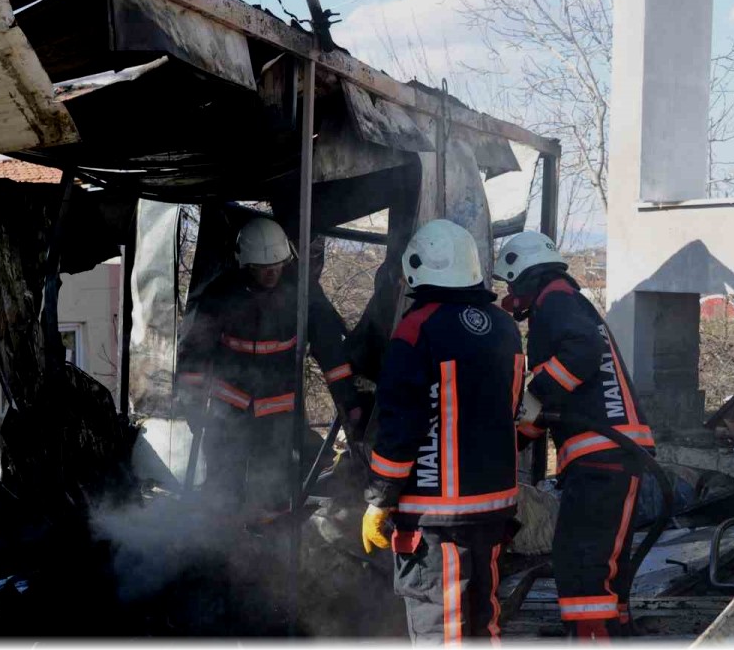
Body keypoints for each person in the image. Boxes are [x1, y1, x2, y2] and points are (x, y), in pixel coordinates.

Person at [361, 219, 524, 643]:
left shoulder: (418, 328)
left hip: (437, 516)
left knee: (443, 625)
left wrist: (380, 500)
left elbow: (401, 423)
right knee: (483, 622)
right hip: (494, 508)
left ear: (417, 268)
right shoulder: (505, 328)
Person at [494, 231, 656, 640]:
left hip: (604, 454)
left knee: (580, 562)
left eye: (513, 286)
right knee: (601, 565)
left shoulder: (556, 302)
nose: (512, 297)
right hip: (610, 453)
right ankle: (614, 634)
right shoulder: (566, 302)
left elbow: (580, 355)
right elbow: (550, 409)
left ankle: (591, 637)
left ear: (525, 276)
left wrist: (534, 390)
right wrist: (513, 441)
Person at [176, 216, 360, 515]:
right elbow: (193, 356)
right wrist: (193, 407)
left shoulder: (302, 292)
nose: (272, 274)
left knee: (275, 492)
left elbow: (331, 350)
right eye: (263, 269)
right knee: (223, 492)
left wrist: (348, 400)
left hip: (280, 417)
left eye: (277, 266)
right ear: (245, 265)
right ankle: (218, 547)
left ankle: (268, 553)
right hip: (228, 415)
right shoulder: (219, 295)